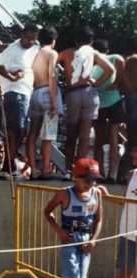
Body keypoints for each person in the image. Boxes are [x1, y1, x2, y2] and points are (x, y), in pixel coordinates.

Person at [44, 158, 103, 278]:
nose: (90, 183)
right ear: (75, 177)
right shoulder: (65, 194)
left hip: (85, 243)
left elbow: (99, 219)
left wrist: (93, 240)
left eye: (93, 179)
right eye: (86, 179)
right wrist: (59, 231)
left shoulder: (96, 193)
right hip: (70, 241)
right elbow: (48, 211)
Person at [58, 27, 114, 180]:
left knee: (71, 134)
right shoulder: (93, 53)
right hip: (89, 92)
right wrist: (96, 82)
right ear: (91, 41)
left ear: (77, 41)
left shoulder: (67, 52)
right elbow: (110, 69)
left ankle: (68, 170)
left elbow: (52, 63)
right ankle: (79, 171)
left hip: (73, 92)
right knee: (84, 135)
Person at [0, 23, 40, 180]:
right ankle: (7, 166)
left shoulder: (35, 47)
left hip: (26, 93)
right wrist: (12, 77)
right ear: (22, 35)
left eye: (33, 39)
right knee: (16, 130)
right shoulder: (13, 49)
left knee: (19, 131)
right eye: (28, 38)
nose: (30, 42)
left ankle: (8, 165)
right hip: (15, 93)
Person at [100, 144, 137, 278]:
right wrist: (106, 196)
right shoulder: (132, 174)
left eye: (136, 150)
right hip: (128, 229)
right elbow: (124, 201)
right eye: (133, 150)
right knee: (125, 269)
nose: (133, 153)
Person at [27, 27, 63, 180]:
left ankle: (33, 170)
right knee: (48, 135)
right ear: (53, 40)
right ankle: (45, 170)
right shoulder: (52, 53)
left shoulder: (33, 53)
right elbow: (52, 76)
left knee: (33, 133)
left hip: (34, 92)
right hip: (47, 92)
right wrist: (54, 102)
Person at [92, 39, 125, 183]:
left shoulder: (93, 67)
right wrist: (117, 82)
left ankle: (99, 173)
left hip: (99, 104)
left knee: (99, 140)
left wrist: (116, 82)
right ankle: (111, 174)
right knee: (113, 138)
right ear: (107, 50)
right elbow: (121, 60)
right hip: (114, 102)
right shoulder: (113, 58)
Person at [119, 38, 137, 182]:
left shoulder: (123, 61)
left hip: (128, 98)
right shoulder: (134, 59)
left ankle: (123, 173)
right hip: (134, 98)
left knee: (131, 139)